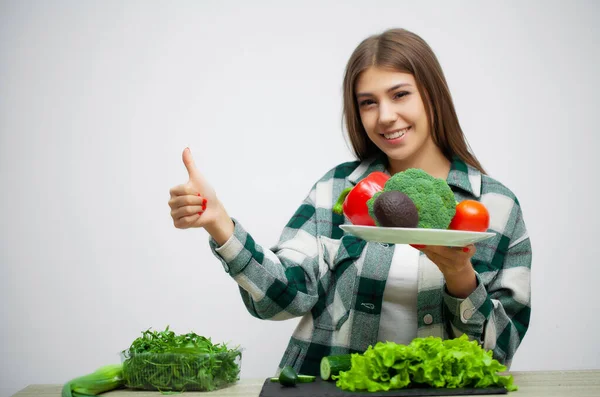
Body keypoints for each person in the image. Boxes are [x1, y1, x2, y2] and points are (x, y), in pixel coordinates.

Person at [168, 28, 532, 376]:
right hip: (329, 388)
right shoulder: (339, 190)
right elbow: (281, 298)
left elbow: (498, 354)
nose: (385, 116)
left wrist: (460, 277)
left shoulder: (496, 208)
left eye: (400, 94)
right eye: (368, 103)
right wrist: (221, 224)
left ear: (432, 95)